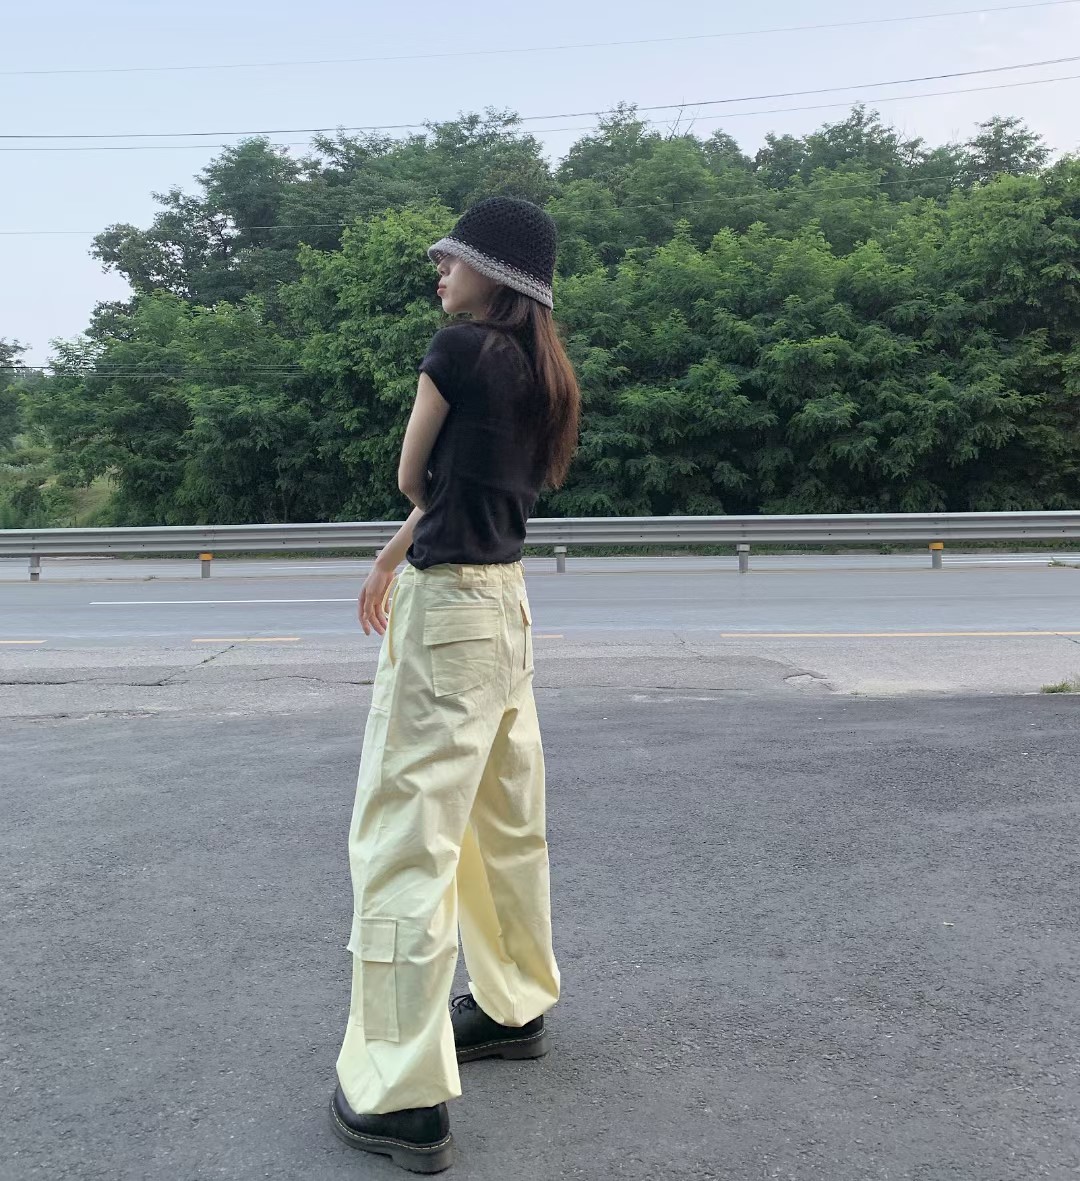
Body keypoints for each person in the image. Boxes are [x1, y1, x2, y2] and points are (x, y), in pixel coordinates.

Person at [329, 197, 581, 1173]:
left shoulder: (458, 349)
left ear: (498, 273)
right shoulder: (543, 369)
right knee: (506, 821)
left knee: (407, 836)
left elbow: (414, 476)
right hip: (507, 607)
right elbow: (466, 492)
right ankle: (515, 1005)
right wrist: (390, 556)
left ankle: (398, 1093)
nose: (441, 269)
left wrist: (400, 540)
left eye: (455, 258)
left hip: (449, 621)